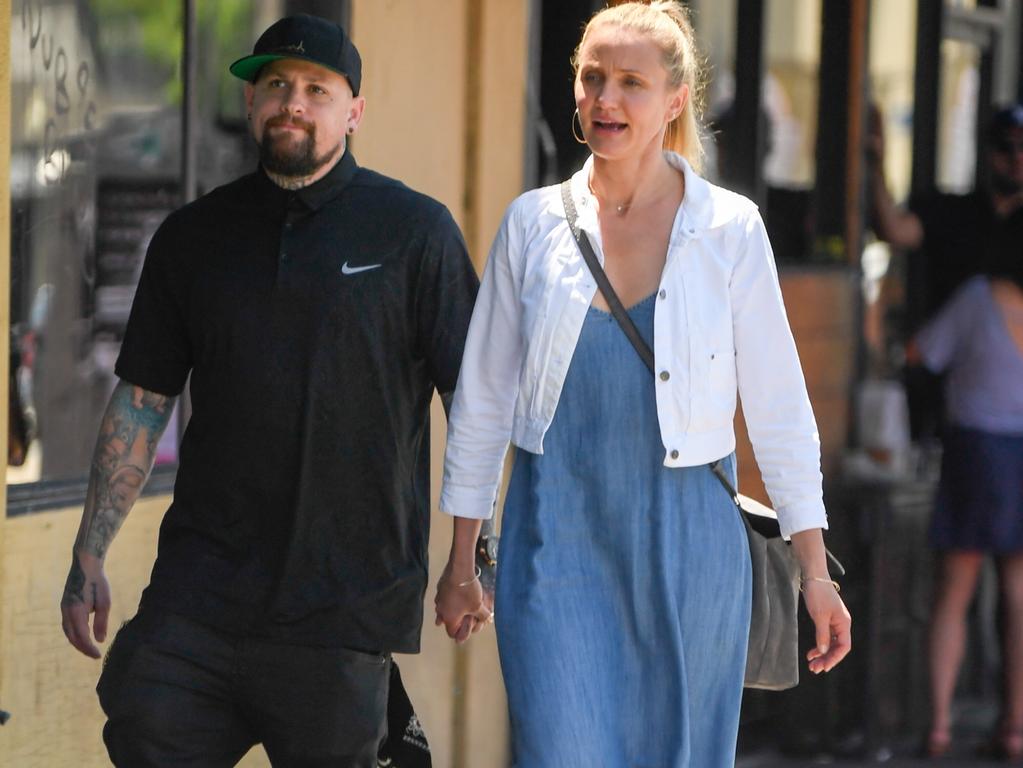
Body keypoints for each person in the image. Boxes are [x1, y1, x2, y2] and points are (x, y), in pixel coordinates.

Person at [432, 3, 851, 766]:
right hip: (552, 539)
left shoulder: (729, 229)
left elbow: (779, 409)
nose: (605, 99)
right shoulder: (531, 225)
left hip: (690, 548)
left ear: (673, 100)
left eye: (630, 82)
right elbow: (483, 401)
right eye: (591, 78)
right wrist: (463, 560)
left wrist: (814, 573)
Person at [58, 14, 482, 767]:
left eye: (317, 89)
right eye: (276, 85)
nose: (293, 102)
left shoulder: (415, 234)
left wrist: (467, 563)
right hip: (198, 598)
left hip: (343, 608)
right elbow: (142, 400)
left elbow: (476, 408)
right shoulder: (193, 237)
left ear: (353, 112)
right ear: (252, 104)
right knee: (140, 723)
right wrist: (89, 552)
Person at [907, 255, 1023, 760]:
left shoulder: (978, 297)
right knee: (1020, 595)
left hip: (977, 453)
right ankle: (1016, 726)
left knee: (954, 592)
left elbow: (919, 352)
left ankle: (938, 727)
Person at [869, 104, 1023, 437]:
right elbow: (895, 230)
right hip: (941, 377)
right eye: (1006, 147)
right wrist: (875, 163)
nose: (1017, 158)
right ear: (988, 152)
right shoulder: (955, 212)